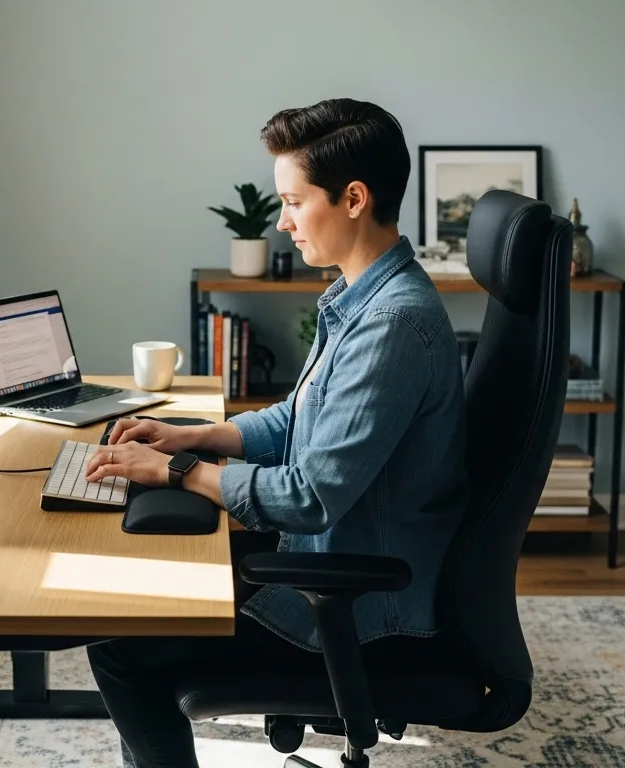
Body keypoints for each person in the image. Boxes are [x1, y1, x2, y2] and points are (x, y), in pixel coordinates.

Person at [82, 98, 469, 768]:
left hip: (362, 609)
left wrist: (174, 475)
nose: (284, 222)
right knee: (145, 586)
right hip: (332, 558)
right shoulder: (360, 296)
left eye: (293, 202)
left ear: (353, 198)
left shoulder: (392, 326)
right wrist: (192, 438)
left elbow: (310, 497)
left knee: (121, 647)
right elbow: (296, 418)